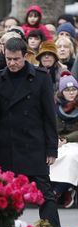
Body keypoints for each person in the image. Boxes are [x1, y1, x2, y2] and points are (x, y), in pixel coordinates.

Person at [0, 37, 62, 227]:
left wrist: (51, 148)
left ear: (25, 56)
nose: (11, 63)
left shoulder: (40, 77)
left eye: (16, 59)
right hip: (7, 145)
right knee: (5, 194)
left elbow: (49, 115)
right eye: (8, 59)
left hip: (34, 144)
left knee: (45, 194)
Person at [50, 72, 78, 208]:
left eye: (74, 89)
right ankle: (65, 191)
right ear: (61, 92)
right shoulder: (54, 106)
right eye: (67, 90)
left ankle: (57, 191)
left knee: (71, 156)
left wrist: (66, 139)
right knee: (53, 154)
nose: (71, 93)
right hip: (58, 141)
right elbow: (49, 125)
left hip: (74, 142)